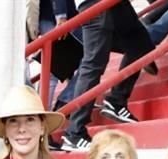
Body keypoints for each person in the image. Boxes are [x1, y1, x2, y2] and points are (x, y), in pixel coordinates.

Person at [60, 0, 154, 150]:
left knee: (140, 43)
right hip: (96, 4)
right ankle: (74, 133)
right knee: (93, 64)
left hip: (116, 5)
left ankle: (116, 100)